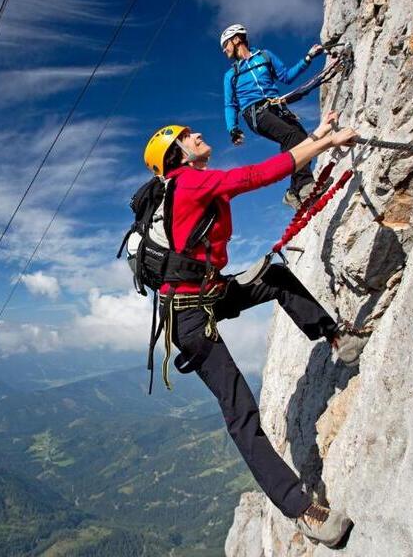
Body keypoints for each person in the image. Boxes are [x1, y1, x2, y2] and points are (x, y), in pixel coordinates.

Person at [142, 111, 368, 547]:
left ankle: (337, 339)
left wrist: (317, 135)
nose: (198, 135)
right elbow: (256, 175)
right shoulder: (189, 183)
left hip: (206, 294)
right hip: (190, 316)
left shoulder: (188, 185)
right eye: (188, 136)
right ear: (178, 155)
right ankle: (302, 511)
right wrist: (324, 145)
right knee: (241, 411)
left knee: (275, 277)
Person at [220, 23, 326, 209]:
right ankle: (305, 186)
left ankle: (293, 192)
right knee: (290, 136)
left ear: (236, 39)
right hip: (254, 113)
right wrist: (233, 129)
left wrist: (308, 58)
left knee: (302, 139)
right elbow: (230, 104)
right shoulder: (231, 74)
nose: (224, 50)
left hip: (276, 107)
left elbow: (286, 76)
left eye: (225, 44)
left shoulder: (265, 56)